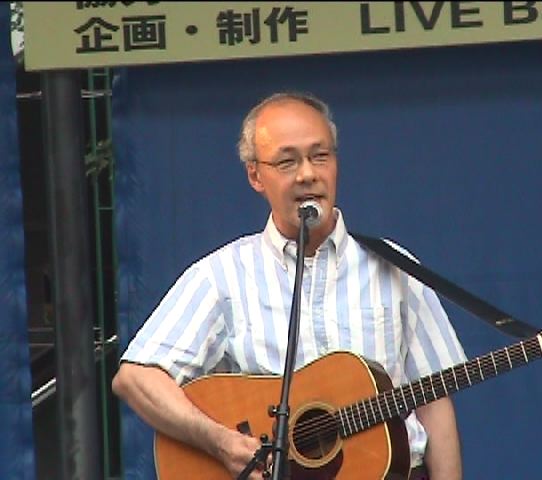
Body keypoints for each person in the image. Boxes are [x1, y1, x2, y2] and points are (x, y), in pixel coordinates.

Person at [112, 92, 466, 480]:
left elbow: (434, 399)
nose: (307, 174)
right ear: (255, 175)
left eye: (320, 156)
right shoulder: (222, 275)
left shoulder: (394, 266)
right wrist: (220, 441)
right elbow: (136, 378)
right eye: (287, 162)